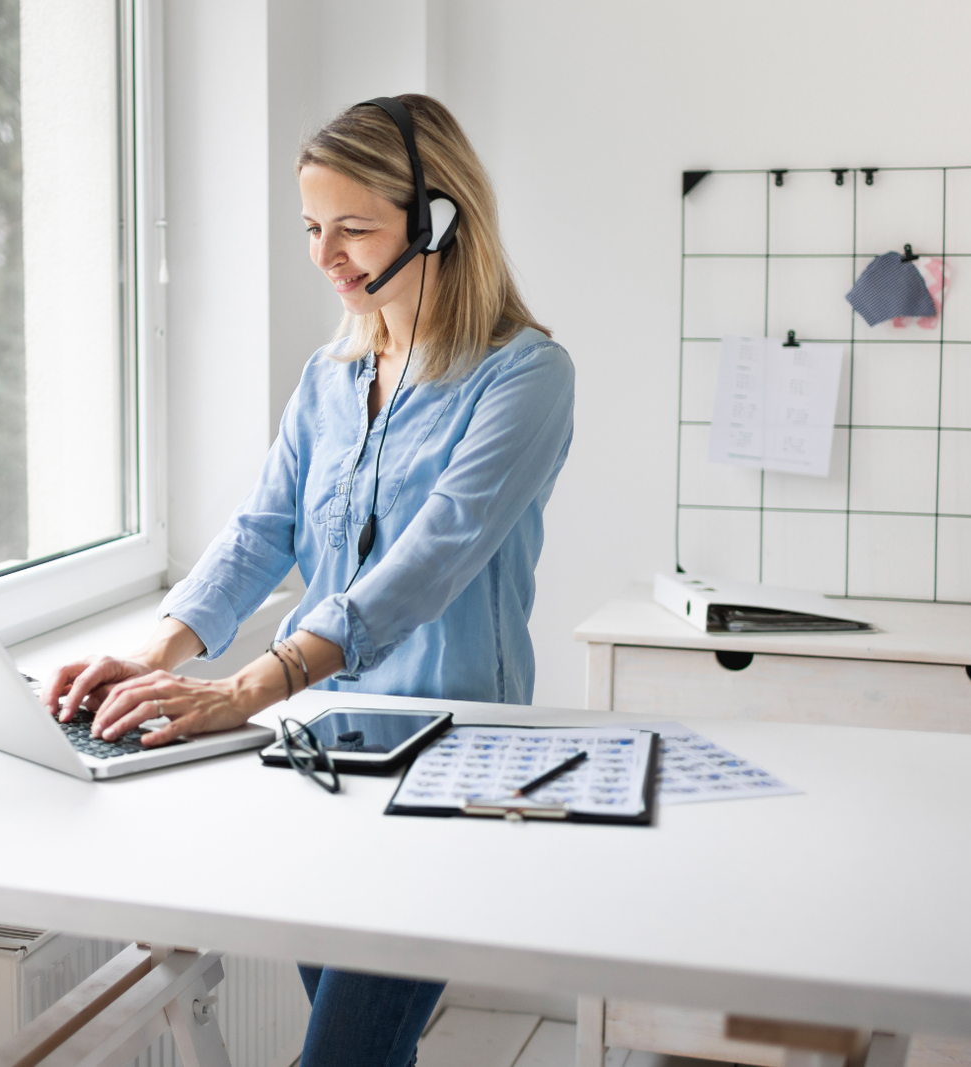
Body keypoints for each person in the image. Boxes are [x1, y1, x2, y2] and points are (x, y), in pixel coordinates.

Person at [42, 94, 575, 1067]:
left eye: (353, 229)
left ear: (438, 221)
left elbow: (432, 557)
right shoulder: (328, 378)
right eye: (311, 229)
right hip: (321, 757)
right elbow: (262, 532)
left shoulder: (525, 376)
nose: (326, 255)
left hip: (451, 766)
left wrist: (249, 685)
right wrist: (149, 652)